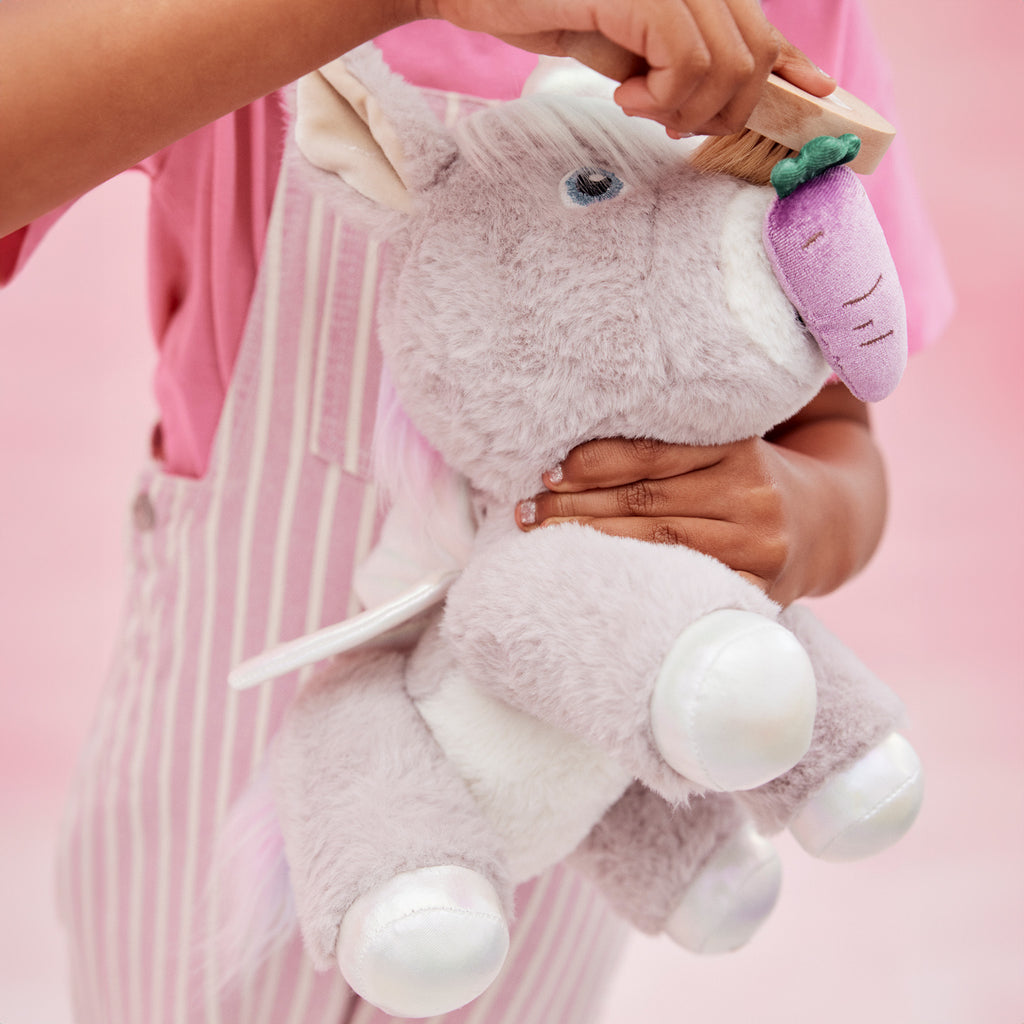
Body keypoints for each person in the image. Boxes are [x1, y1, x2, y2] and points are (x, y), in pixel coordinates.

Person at [0, 1, 952, 1022]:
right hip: (217, 773)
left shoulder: (787, 19)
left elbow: (836, 430)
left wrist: (802, 515)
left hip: (571, 787)